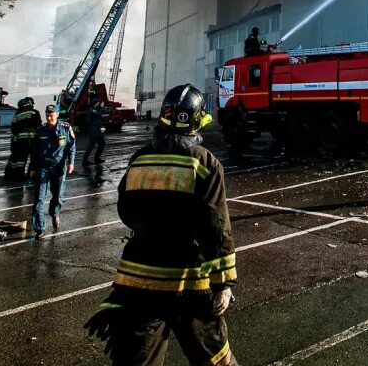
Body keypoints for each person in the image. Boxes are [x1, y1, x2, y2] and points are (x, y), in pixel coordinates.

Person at [84, 84, 237, 366]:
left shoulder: (139, 159)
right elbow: (215, 228)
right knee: (214, 359)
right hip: (189, 283)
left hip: (139, 282)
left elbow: (126, 211)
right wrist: (223, 283)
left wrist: (152, 228)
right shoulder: (205, 163)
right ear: (197, 120)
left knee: (138, 358)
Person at [29, 104, 76, 236]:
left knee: (58, 196)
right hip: (42, 167)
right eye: (47, 116)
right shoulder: (40, 131)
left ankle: (55, 214)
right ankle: (39, 228)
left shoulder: (65, 128)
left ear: (57, 115)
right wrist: (32, 168)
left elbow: (71, 146)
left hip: (58, 167)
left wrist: (71, 162)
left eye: (51, 115)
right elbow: (34, 151)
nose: (49, 118)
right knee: (39, 198)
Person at [6, 97, 41, 180]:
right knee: (35, 157)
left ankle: (12, 174)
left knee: (17, 158)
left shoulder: (17, 114)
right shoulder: (34, 112)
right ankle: (32, 175)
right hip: (30, 140)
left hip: (17, 140)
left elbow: (13, 128)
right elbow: (38, 125)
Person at [84, 90, 108, 168]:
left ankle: (97, 158)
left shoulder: (97, 109)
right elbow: (98, 114)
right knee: (91, 145)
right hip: (93, 130)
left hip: (98, 130)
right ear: (95, 104)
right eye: (97, 103)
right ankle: (85, 160)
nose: (98, 104)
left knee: (102, 144)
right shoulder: (92, 110)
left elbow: (101, 114)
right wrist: (101, 107)